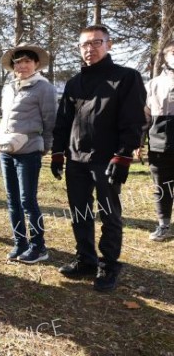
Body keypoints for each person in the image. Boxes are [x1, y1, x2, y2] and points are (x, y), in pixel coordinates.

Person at [52, 25, 146, 292]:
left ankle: (109, 264)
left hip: (108, 159)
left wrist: (123, 156)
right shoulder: (74, 83)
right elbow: (63, 122)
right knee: (80, 212)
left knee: (109, 213)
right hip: (76, 159)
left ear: (109, 44)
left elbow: (134, 120)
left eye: (96, 43)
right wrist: (59, 153)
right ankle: (86, 259)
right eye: (84, 45)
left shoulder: (126, 78)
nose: (89, 49)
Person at [0, 43, 57, 264]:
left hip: (29, 150)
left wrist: (46, 146)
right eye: (18, 62)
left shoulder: (44, 88)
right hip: (6, 150)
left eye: (27, 61)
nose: (22, 66)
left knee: (27, 200)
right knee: (12, 200)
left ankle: (38, 246)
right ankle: (20, 242)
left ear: (36, 64)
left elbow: (50, 120)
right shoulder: (9, 87)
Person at [137, 41, 174, 241]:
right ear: (165, 57)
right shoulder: (152, 85)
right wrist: (139, 142)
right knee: (162, 186)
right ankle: (164, 225)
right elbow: (144, 117)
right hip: (159, 144)